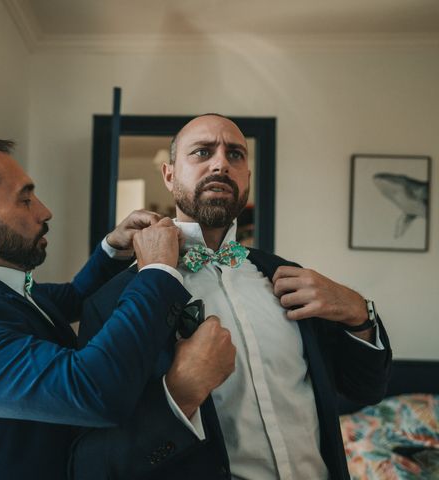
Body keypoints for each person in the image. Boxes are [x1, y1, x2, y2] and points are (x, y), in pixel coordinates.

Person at [72, 114, 392, 480]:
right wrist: (180, 396)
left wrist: (358, 312)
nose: (221, 163)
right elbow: (94, 464)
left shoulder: (290, 278)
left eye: (236, 154)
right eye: (203, 152)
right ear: (169, 174)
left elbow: (366, 389)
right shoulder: (114, 300)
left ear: (247, 179)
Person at [0, 138, 237, 479]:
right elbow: (93, 388)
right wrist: (157, 271)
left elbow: (76, 297)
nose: (44, 211)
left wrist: (113, 247)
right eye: (25, 200)